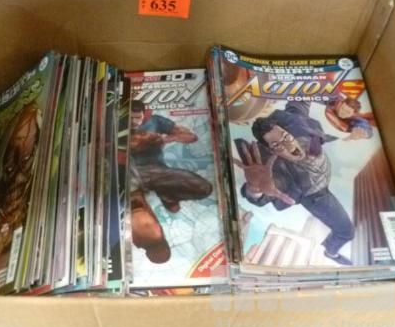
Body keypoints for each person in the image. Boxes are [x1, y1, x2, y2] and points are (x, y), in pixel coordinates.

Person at [234, 100, 355, 265]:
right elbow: (264, 191)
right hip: (316, 196)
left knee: (346, 232)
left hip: (322, 182)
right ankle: (331, 253)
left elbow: (300, 101)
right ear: (272, 151)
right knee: (347, 231)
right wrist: (255, 188)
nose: (289, 146)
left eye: (286, 137)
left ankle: (330, 249)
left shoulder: (298, 124)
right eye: (277, 145)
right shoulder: (280, 173)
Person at [130, 100, 213, 264]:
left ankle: (166, 193)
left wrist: (165, 139)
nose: (134, 121)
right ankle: (152, 195)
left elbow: (191, 137)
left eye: (137, 118)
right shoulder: (117, 124)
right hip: (129, 171)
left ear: (143, 115)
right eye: (130, 118)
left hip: (156, 171)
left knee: (204, 188)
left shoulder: (155, 121)